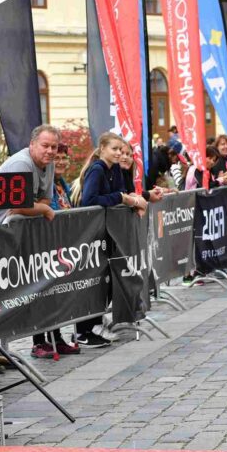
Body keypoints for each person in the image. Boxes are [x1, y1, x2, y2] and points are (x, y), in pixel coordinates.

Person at [76, 132, 146, 348]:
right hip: (90, 233)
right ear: (102, 149)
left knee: (104, 279)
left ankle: (96, 321)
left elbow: (121, 192)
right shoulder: (97, 169)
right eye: (114, 149)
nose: (118, 154)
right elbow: (89, 200)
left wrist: (132, 199)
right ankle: (84, 330)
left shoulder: (114, 169)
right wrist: (121, 198)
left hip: (107, 232)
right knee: (91, 280)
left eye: (121, 150)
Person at [28, 142, 80, 358]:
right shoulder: (43, 183)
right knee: (41, 294)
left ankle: (56, 338)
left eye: (63, 157)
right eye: (56, 157)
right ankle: (39, 341)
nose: (60, 161)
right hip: (42, 246)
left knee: (56, 293)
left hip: (59, 247)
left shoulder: (61, 184)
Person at [0, 125, 59, 225]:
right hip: (2, 226)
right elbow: (20, 206)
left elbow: (46, 199)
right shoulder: (21, 163)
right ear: (32, 144)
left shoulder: (50, 163)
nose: (50, 151)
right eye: (45, 146)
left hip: (19, 226)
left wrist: (32, 208)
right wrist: (44, 209)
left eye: (54, 147)